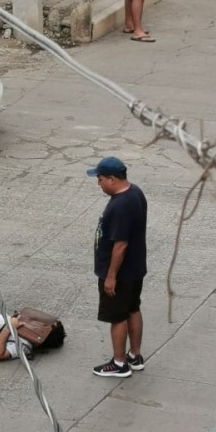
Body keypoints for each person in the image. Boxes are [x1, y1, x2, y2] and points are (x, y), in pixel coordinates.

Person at [87, 156, 148, 378]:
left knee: (117, 316)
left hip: (120, 274)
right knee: (133, 308)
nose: (99, 183)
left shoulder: (121, 205)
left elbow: (120, 245)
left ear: (112, 179)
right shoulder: (135, 193)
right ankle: (135, 355)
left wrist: (111, 276)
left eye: (100, 179)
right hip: (135, 270)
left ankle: (119, 362)